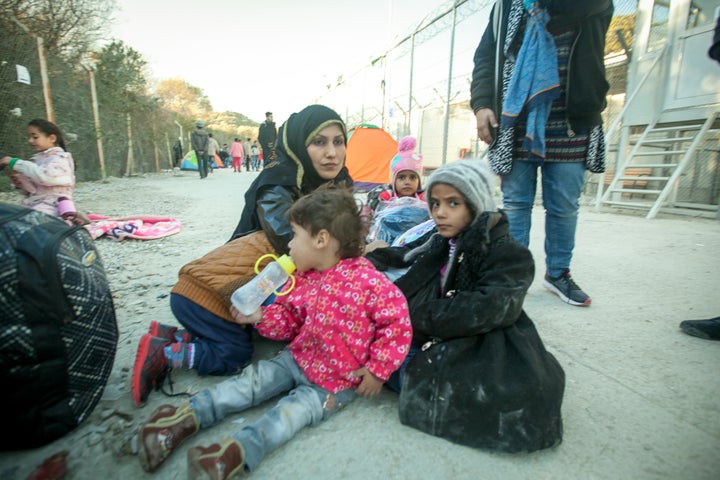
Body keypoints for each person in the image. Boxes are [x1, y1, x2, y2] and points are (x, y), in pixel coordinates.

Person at [136, 186, 412, 476]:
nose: (290, 246)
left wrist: (378, 370)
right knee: (250, 384)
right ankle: (184, 418)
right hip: (296, 358)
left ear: (321, 239)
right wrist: (260, 316)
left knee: (288, 417)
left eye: (294, 235)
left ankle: (230, 456)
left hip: (334, 384)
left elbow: (398, 323)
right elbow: (289, 320)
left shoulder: (369, 281)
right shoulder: (303, 279)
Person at [131, 104, 354, 407]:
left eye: (338, 141)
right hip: (216, 288)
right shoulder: (277, 184)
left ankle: (174, 335)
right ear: (299, 145)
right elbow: (300, 245)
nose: (332, 153)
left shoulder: (335, 184)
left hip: (237, 281)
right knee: (234, 354)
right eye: (319, 142)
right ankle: (165, 354)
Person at [366, 158, 565, 453]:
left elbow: (490, 307)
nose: (440, 212)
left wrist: (412, 318)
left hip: (479, 340)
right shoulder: (442, 238)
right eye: (434, 203)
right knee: (372, 344)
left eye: (453, 203)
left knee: (482, 390)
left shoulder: (508, 253)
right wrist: (367, 261)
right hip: (436, 329)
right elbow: (407, 253)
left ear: (475, 202)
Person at [470, 0, 613, 306]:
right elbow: (485, 56)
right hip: (515, 118)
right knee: (516, 204)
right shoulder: (507, 6)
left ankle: (558, 273)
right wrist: (482, 104)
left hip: (571, 118)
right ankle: (513, 276)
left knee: (563, 205)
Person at [0, 118, 85, 225]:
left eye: (35, 137)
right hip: (35, 203)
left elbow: (44, 177)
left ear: (52, 138)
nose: (30, 140)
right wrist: (19, 178)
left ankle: (70, 219)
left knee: (30, 223)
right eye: (29, 137)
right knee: (10, 219)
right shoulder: (37, 160)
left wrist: (15, 162)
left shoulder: (61, 158)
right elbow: (32, 189)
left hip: (53, 204)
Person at [366, 135, 429, 245]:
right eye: (401, 178)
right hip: (388, 239)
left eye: (412, 177)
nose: (407, 182)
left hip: (414, 240)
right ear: (394, 180)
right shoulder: (387, 196)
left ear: (419, 181)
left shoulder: (423, 199)